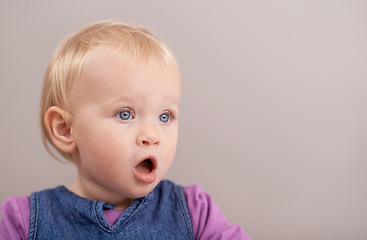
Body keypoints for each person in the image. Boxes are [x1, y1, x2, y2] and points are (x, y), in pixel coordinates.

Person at [0, 21, 252, 239]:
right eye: (125, 114)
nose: (151, 136)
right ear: (65, 129)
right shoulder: (22, 222)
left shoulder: (194, 211)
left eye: (165, 116)